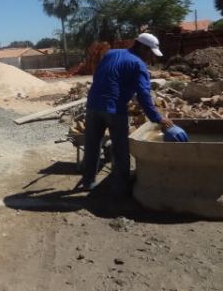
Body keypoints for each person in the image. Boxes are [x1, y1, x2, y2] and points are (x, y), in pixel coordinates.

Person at [81, 33, 188, 196]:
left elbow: (101, 76)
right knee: (120, 149)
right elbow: (144, 95)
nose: (151, 57)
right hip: (114, 109)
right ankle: (121, 188)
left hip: (93, 105)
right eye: (151, 52)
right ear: (143, 48)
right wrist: (158, 118)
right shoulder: (138, 65)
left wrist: (123, 92)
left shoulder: (110, 53)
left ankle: (88, 182)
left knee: (92, 145)